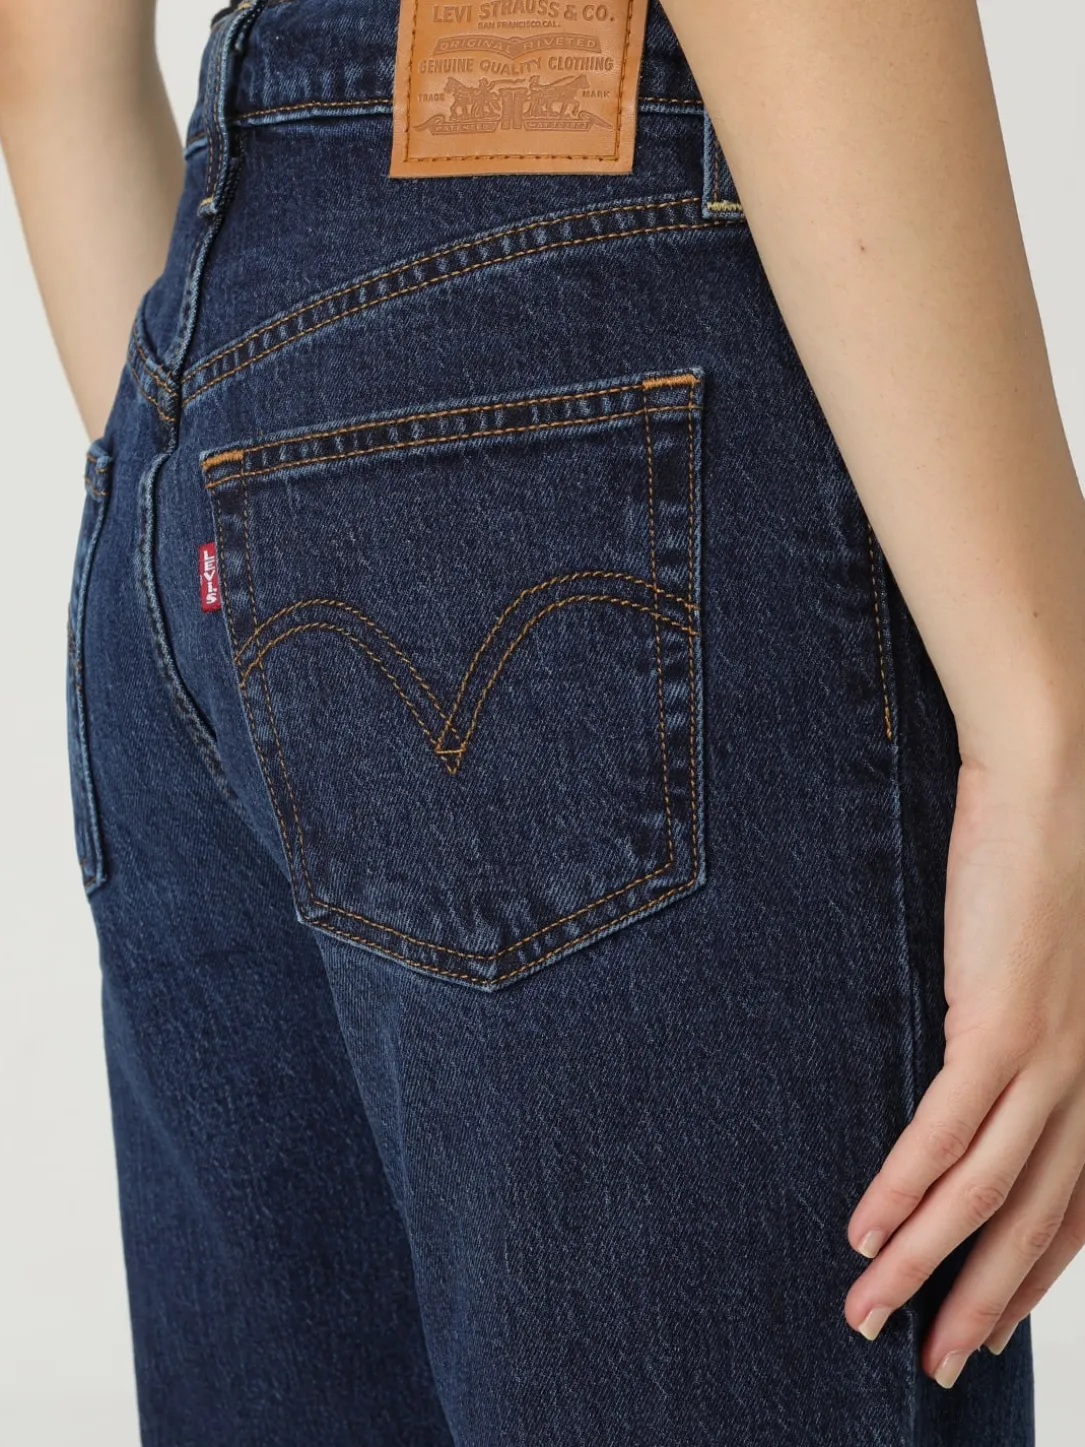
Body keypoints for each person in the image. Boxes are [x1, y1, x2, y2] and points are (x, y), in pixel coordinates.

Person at [2, 0, 1082, 1440]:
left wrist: (248, 545)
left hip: (194, 402)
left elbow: (49, 61)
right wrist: (1050, 733)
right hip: (585, 346)